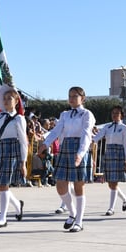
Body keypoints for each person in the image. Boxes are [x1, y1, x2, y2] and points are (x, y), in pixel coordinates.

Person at [38, 86, 96, 232]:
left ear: (82, 98)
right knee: (60, 185)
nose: (71, 99)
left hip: (78, 147)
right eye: (69, 96)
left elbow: (86, 134)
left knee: (78, 187)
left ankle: (79, 221)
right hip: (65, 147)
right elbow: (56, 130)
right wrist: (45, 143)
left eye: (75, 96)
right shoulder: (64, 114)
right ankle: (72, 212)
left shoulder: (87, 114)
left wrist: (81, 153)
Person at [0, 89, 26, 228]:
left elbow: (23, 141)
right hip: (0, 148)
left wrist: (23, 162)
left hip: (12, 149)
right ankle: (17, 205)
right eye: (5, 98)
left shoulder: (19, 118)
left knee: (3, 185)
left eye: (10, 98)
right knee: (0, 187)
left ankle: (2, 218)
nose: (7, 101)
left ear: (16, 101)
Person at [93, 106, 126, 216]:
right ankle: (125, 198)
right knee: (110, 183)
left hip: (119, 154)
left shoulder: (124, 128)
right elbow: (98, 136)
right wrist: (90, 140)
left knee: (114, 183)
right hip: (109, 153)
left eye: (117, 113)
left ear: (121, 115)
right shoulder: (107, 126)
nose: (114, 115)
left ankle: (111, 208)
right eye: (113, 113)